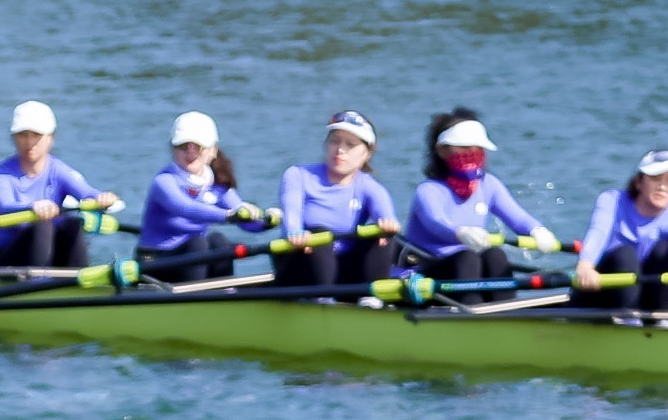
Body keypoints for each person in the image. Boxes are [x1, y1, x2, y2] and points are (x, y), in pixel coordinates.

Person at [402, 112, 556, 288]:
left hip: (465, 269)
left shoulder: (489, 185)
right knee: (467, 259)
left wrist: (537, 230)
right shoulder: (428, 190)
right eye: (464, 147)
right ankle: (471, 308)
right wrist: (460, 233)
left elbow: (517, 217)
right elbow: (436, 223)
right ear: (441, 149)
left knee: (495, 256)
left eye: (478, 147)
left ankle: (502, 308)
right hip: (425, 269)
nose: (472, 153)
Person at [272, 110, 401, 292]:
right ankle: (322, 300)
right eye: (334, 141)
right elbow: (291, 215)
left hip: (344, 269)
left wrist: (388, 227)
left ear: (367, 154)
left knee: (382, 238)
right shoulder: (298, 175)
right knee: (319, 233)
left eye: (350, 145)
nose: (340, 150)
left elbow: (387, 216)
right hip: (301, 263)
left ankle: (371, 298)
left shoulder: (370, 187)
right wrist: (295, 233)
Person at [0, 102, 120, 272]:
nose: (29, 142)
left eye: (36, 135)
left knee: (73, 223)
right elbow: (4, 206)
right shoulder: (2, 173)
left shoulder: (58, 170)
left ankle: (79, 281)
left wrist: (102, 198)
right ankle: (38, 286)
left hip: (47, 252)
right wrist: (33, 207)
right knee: (42, 225)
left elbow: (86, 193)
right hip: (6, 256)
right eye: (22, 135)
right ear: (14, 137)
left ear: (51, 137)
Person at [138, 111, 269, 281]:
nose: (190, 152)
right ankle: (194, 299)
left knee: (218, 240)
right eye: (183, 146)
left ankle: (224, 293)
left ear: (213, 151)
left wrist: (268, 221)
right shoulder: (164, 182)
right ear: (173, 149)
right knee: (198, 243)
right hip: (154, 261)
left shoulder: (216, 185)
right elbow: (186, 208)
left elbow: (247, 223)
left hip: (188, 259)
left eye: (197, 147)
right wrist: (228, 216)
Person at [573, 147, 668, 319]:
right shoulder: (612, 201)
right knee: (625, 254)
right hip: (597, 295)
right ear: (639, 182)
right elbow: (598, 232)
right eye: (655, 178)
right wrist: (585, 265)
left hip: (643, 302)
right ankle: (628, 323)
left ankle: (664, 319)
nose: (662, 187)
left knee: (665, 250)